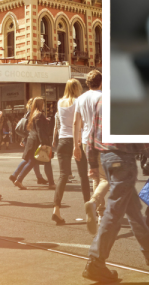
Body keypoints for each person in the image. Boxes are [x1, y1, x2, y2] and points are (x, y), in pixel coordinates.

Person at [84, 95, 149, 282]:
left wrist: (92, 163)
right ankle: (96, 261)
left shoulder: (101, 100)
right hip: (123, 160)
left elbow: (92, 134)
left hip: (106, 159)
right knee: (114, 212)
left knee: (132, 210)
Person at [51, 79, 90, 224]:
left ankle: (56, 209)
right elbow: (80, 122)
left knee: (63, 176)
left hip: (62, 141)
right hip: (76, 140)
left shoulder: (59, 102)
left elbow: (61, 122)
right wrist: (78, 143)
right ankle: (88, 211)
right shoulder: (78, 101)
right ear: (77, 88)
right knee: (83, 176)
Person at [72, 70, 105, 232]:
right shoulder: (103, 97)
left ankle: (100, 212)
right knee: (106, 178)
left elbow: (75, 122)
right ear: (100, 83)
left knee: (95, 175)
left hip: (86, 141)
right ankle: (97, 206)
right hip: (101, 140)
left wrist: (76, 145)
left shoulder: (80, 99)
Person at [11, 97, 54, 191]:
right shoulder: (39, 115)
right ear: (40, 104)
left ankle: (19, 179)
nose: (44, 105)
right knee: (45, 161)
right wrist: (43, 143)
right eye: (43, 103)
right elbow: (40, 130)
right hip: (37, 142)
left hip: (31, 140)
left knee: (31, 162)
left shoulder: (33, 114)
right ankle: (51, 183)